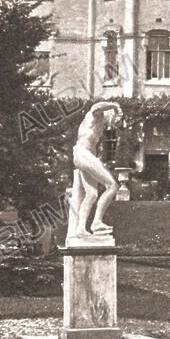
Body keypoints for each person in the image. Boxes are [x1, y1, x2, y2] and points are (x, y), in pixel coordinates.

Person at [66, 101, 123, 243]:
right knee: (113, 186)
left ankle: (80, 229)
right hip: (83, 154)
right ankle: (96, 221)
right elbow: (96, 106)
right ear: (109, 113)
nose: (114, 124)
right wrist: (115, 105)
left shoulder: (100, 126)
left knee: (91, 194)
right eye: (115, 119)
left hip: (85, 155)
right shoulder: (96, 115)